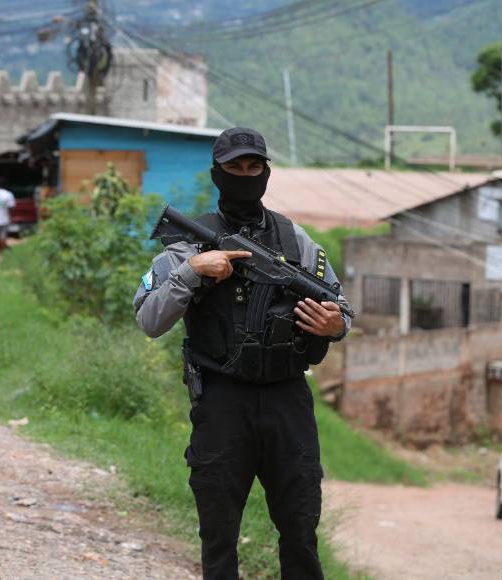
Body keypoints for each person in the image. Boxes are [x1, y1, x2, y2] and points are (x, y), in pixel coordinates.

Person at [133, 127, 353, 580]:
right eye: (236, 167)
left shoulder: (297, 242)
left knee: (300, 532)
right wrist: (192, 273)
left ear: (266, 172)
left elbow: (341, 309)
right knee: (219, 538)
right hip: (221, 402)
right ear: (218, 173)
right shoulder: (187, 244)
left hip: (287, 401)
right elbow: (149, 320)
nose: (246, 175)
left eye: (254, 167)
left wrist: (336, 326)